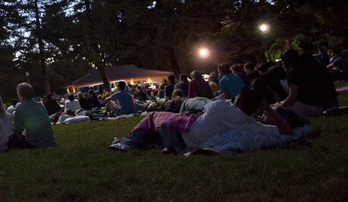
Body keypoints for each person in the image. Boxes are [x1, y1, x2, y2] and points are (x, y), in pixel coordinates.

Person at [115, 88, 292, 152]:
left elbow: (204, 107)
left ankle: (128, 142)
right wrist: (269, 109)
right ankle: (136, 142)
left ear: (238, 100)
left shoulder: (221, 106)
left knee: (154, 116)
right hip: (183, 142)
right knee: (154, 135)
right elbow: (287, 132)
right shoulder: (252, 126)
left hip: (179, 133)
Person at [278, 49, 338, 117]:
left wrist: (280, 106)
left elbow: (293, 96)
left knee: (276, 111)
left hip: (317, 106)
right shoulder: (318, 66)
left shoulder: (293, 73)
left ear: (286, 61)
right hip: (332, 102)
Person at [11, 82, 56, 149]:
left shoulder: (20, 109)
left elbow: (18, 130)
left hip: (35, 143)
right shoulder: (40, 105)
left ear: (21, 95)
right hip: (50, 141)